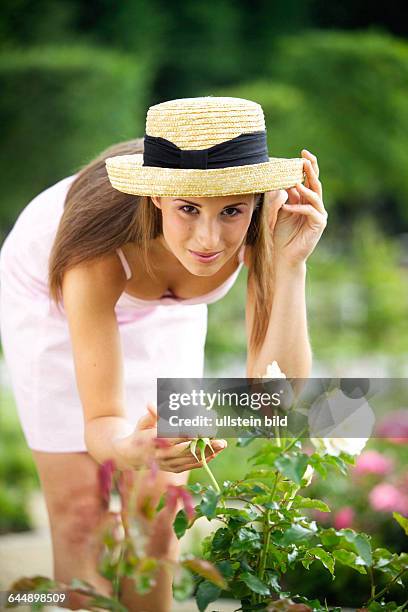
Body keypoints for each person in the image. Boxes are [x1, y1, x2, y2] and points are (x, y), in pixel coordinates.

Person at [0, 96, 327, 611]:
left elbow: (273, 398)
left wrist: (290, 265)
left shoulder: (266, 228)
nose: (208, 239)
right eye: (189, 209)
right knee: (78, 514)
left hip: (168, 305)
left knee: (156, 513)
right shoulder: (94, 251)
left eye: (231, 212)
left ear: (255, 202)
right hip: (53, 294)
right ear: (157, 198)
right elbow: (102, 421)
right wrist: (128, 449)